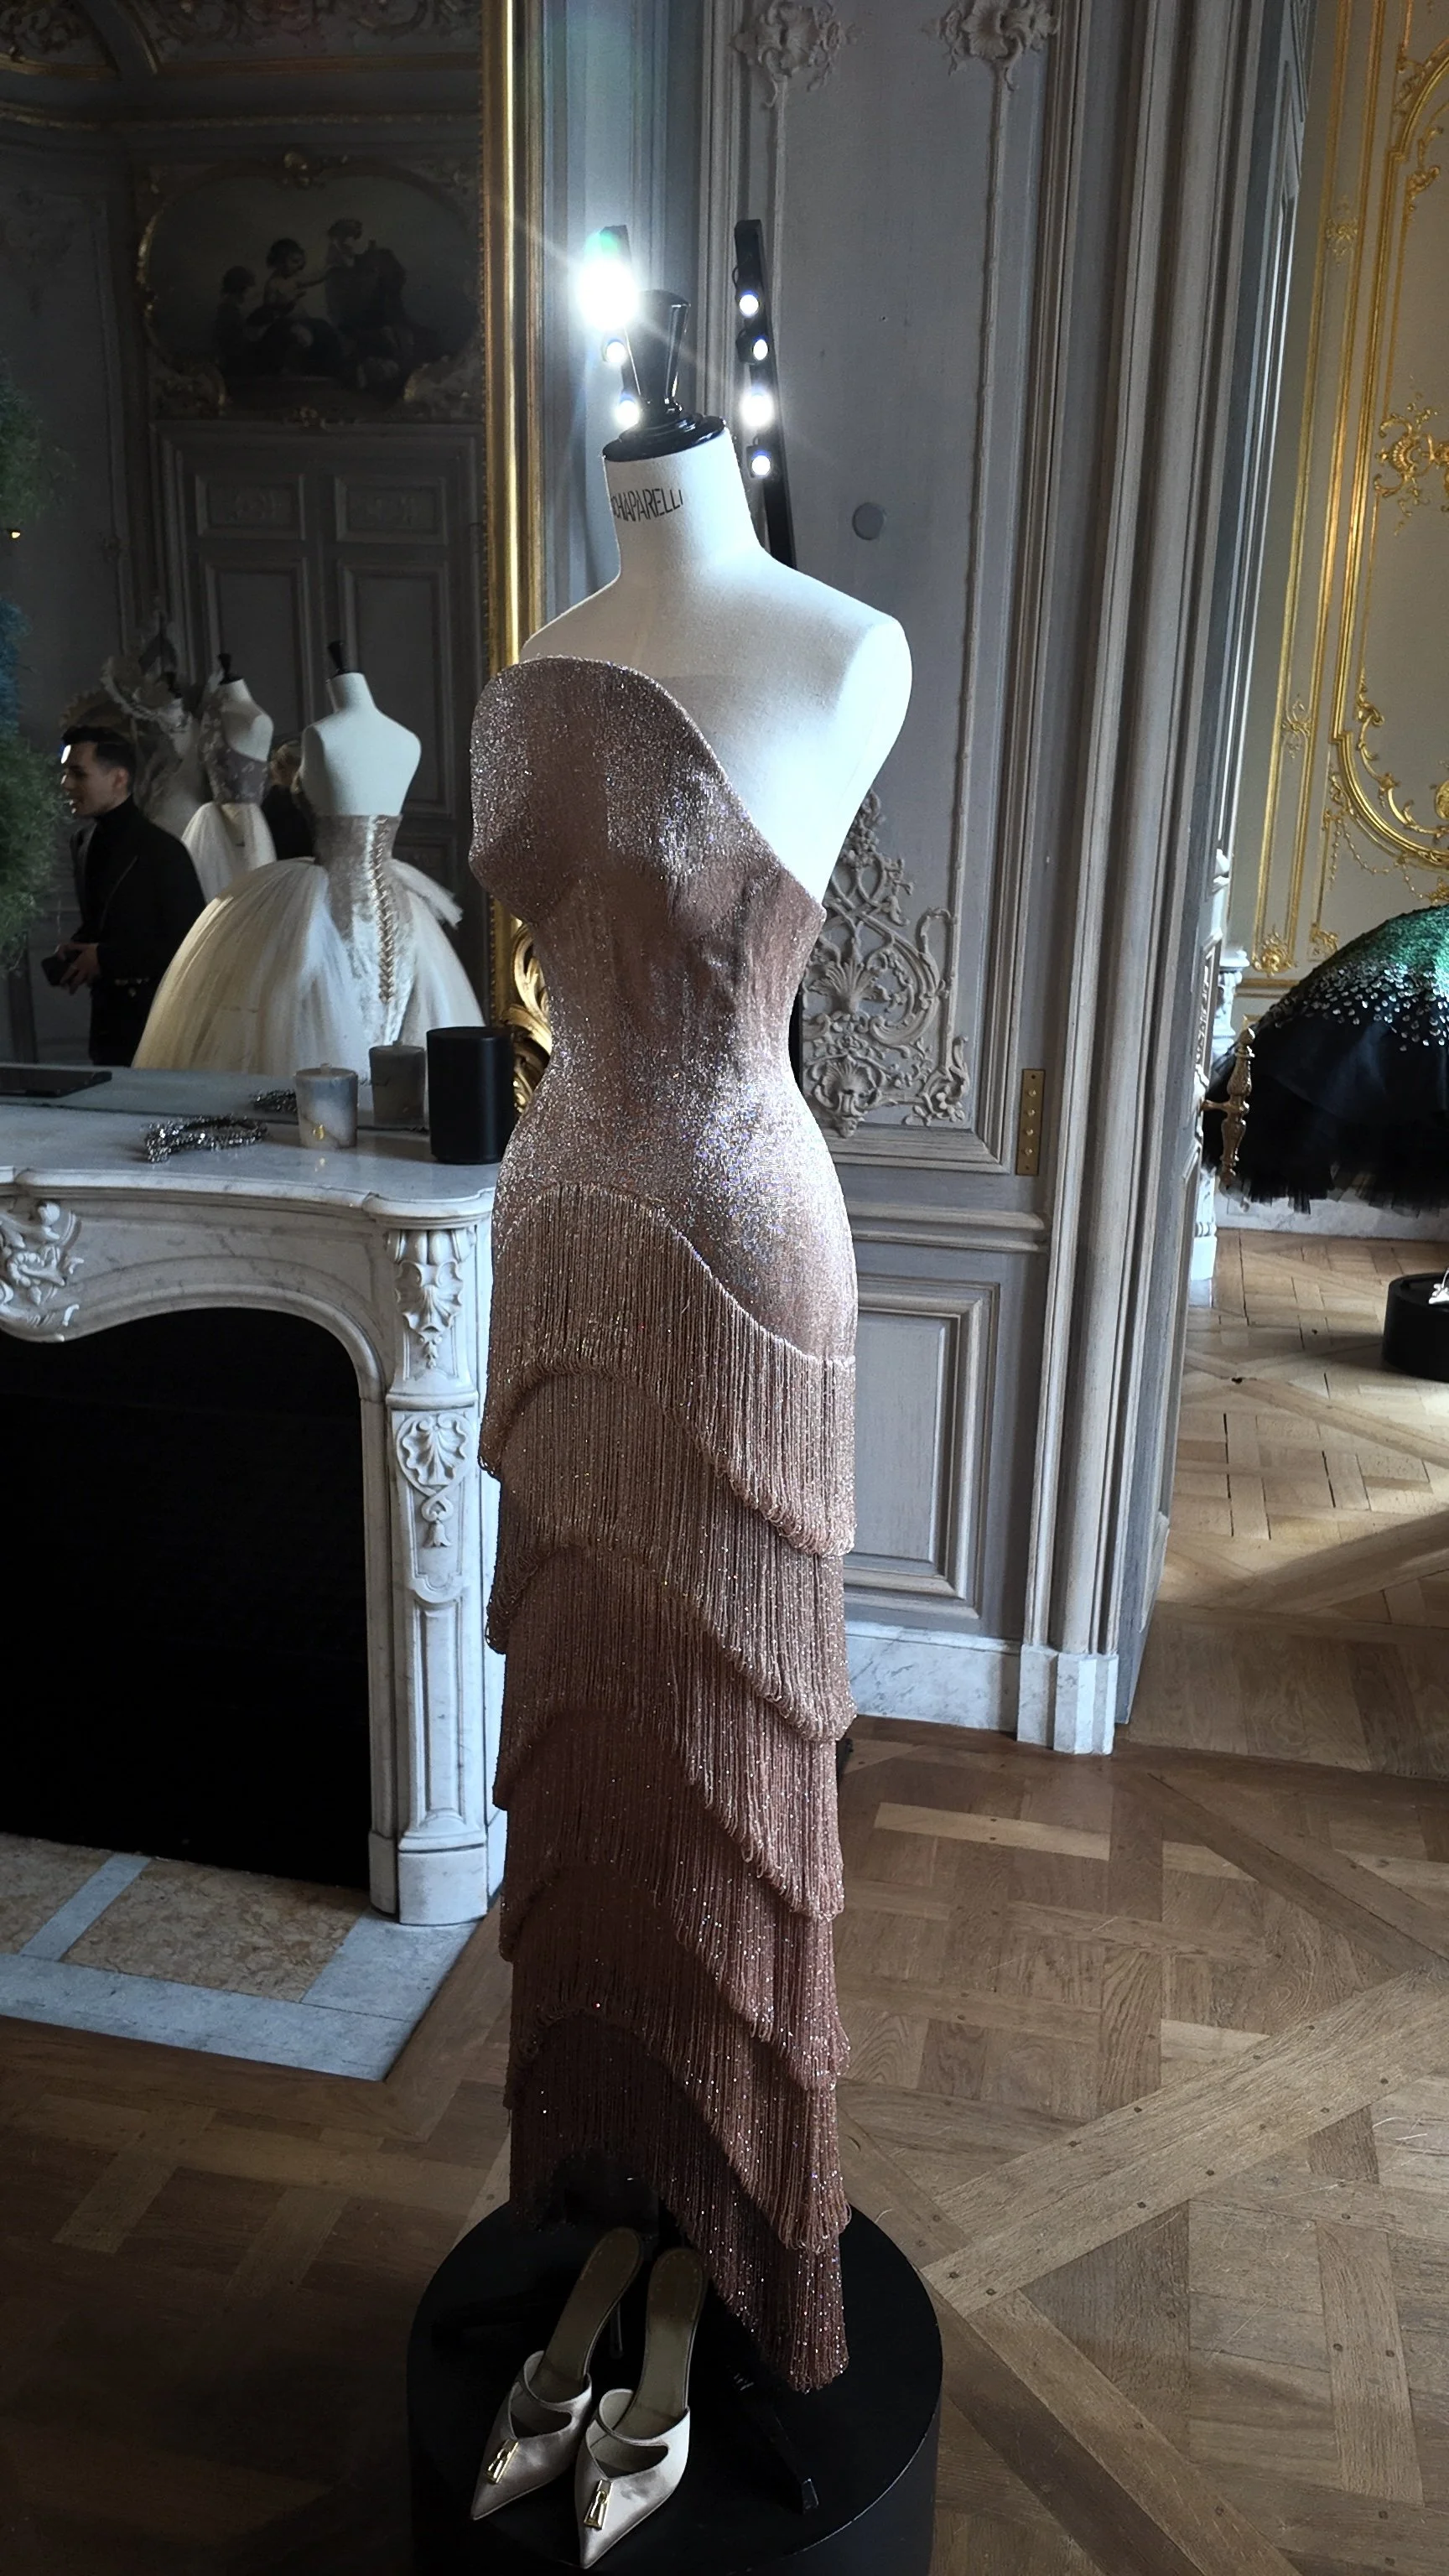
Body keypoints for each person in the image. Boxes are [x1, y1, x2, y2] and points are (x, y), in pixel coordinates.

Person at [55, 728, 205, 1066]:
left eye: (78, 773)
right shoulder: (81, 842)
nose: (66, 784)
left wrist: (105, 957)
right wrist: (80, 948)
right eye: (65, 773)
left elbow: (191, 945)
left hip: (157, 1019)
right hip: (106, 1022)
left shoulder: (163, 851)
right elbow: (105, 918)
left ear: (119, 778)